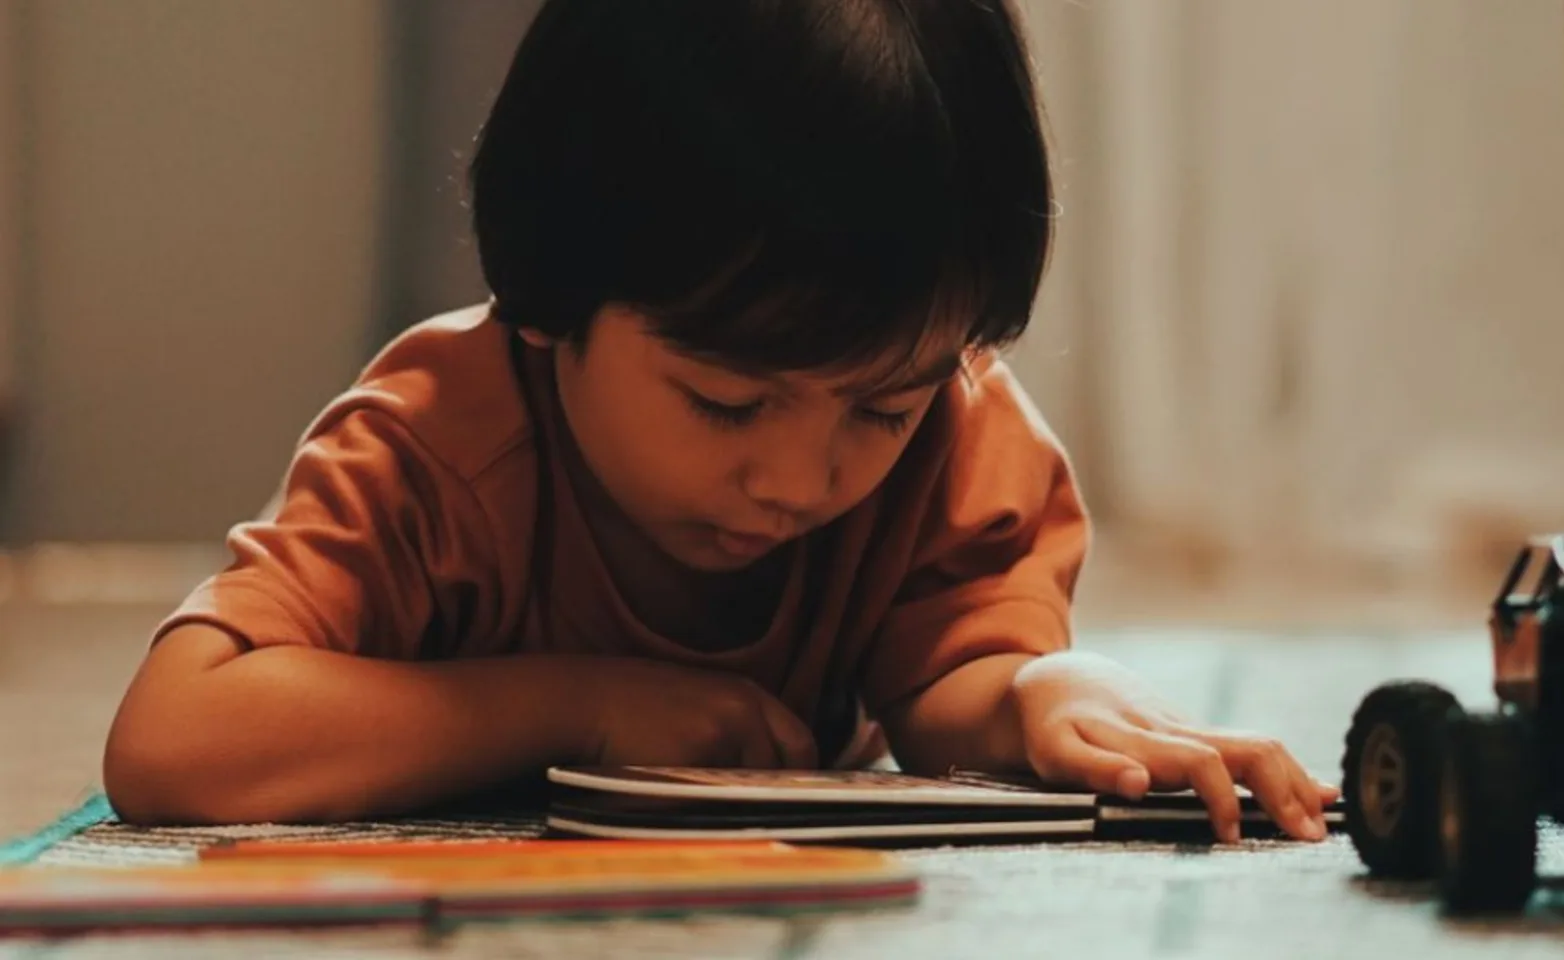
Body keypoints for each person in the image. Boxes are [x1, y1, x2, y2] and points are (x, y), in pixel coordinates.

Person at [102, 0, 1337, 843]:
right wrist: (572, 704)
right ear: (548, 294)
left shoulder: (958, 429)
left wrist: (1042, 695)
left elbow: (947, 678)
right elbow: (176, 740)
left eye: (880, 407)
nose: (800, 477)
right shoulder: (437, 444)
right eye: (726, 401)